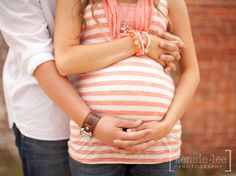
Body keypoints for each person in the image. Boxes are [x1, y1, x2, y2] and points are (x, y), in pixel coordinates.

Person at [0, 0, 182, 176]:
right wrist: (141, 41)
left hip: (135, 138)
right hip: (49, 116)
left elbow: (188, 66)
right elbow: (39, 57)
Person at [54, 0, 200, 176]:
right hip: (92, 143)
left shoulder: (170, 2)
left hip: (159, 145)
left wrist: (167, 125)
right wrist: (140, 41)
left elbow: (191, 72)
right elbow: (65, 62)